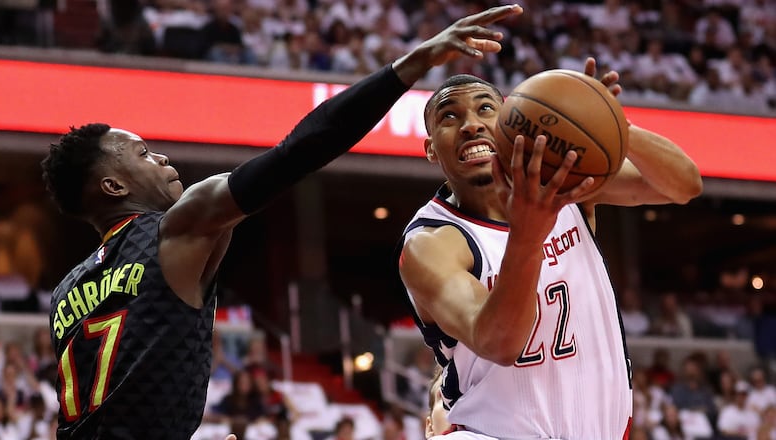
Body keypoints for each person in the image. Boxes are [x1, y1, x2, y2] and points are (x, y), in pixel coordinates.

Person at [40, 4, 518, 439]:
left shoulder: (65, 294)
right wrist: (413, 63)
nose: (161, 158)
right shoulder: (178, 227)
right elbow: (303, 148)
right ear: (113, 187)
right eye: (143, 154)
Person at [397, 56, 703, 438]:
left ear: (511, 120)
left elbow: (684, 185)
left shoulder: (565, 182)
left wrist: (616, 128)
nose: (471, 124)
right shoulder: (432, 242)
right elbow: (499, 342)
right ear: (430, 150)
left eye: (485, 108)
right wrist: (527, 236)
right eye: (449, 116)